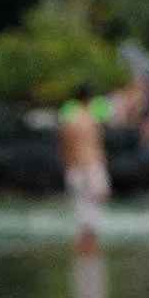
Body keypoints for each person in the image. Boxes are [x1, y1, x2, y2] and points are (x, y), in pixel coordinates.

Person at [57, 83, 111, 256]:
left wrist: (68, 167)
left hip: (75, 168)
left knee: (81, 213)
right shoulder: (91, 119)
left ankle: (82, 258)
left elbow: (64, 148)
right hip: (91, 167)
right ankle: (89, 256)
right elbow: (96, 147)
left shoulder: (69, 119)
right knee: (91, 215)